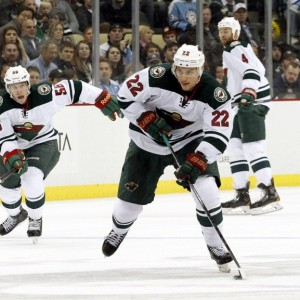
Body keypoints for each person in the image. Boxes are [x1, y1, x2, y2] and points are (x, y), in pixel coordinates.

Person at [101, 44, 235, 273]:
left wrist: (199, 159)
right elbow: (124, 96)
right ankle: (118, 230)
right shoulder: (156, 76)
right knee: (128, 206)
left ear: (200, 70)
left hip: (190, 142)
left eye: (190, 71)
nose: (184, 75)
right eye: (180, 69)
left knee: (208, 191)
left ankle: (215, 244)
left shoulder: (215, 94)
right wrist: (145, 119)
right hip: (146, 142)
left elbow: (219, 133)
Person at [0, 65, 123, 242]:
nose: (19, 90)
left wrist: (101, 98)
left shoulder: (46, 94)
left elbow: (76, 87)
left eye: (22, 85)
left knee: (32, 179)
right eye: (13, 87)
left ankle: (35, 218)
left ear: (28, 84)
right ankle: (15, 215)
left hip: (43, 143)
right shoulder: (2, 106)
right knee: (6, 186)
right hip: (14, 147)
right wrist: (11, 155)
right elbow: (5, 139)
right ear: (7, 89)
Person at [217, 17, 282, 215]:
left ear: (236, 33)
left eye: (226, 31)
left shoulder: (237, 47)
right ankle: (242, 195)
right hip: (239, 105)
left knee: (253, 147)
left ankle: (270, 192)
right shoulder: (231, 50)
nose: (222, 34)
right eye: (221, 31)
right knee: (235, 148)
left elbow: (254, 71)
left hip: (251, 103)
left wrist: (248, 93)